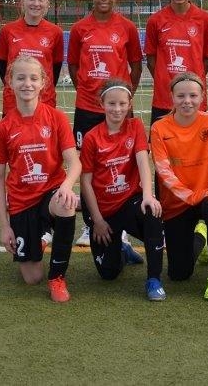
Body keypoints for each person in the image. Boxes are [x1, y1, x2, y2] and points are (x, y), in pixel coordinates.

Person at [0, 55, 80, 302]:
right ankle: (43, 235)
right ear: (10, 82)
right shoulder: (3, 128)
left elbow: (74, 162)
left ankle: (57, 277)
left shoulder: (56, 118)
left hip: (50, 193)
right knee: (32, 278)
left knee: (66, 203)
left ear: (43, 83)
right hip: (22, 203)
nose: (27, 83)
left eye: (33, 78)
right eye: (20, 78)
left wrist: (66, 186)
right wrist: (5, 226)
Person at [67, 0, 143, 248]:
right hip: (87, 109)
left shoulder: (127, 28)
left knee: (121, 164)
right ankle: (89, 224)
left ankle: (120, 225)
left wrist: (124, 97)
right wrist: (88, 93)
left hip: (119, 111)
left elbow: (136, 66)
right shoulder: (79, 29)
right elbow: (73, 66)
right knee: (87, 167)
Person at [79, 79, 167, 301]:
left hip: (128, 202)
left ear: (129, 104)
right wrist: (97, 220)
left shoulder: (135, 126)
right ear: (102, 104)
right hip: (102, 210)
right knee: (108, 274)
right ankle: (123, 251)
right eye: (112, 103)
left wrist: (148, 195)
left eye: (122, 104)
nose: (117, 109)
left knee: (152, 212)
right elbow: (85, 182)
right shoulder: (91, 137)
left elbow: (143, 161)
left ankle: (154, 279)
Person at [150, 72, 208, 300]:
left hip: (207, 195)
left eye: (193, 96)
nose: (187, 101)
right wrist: (194, 196)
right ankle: (201, 238)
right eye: (181, 96)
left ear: (202, 97)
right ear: (172, 97)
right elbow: (164, 172)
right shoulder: (159, 128)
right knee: (179, 274)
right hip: (178, 202)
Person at [144, 0, 208, 125]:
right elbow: (151, 60)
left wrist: (191, 83)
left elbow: (206, 59)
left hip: (194, 100)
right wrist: (165, 81)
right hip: (164, 99)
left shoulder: (205, 19)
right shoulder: (155, 20)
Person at [0, 0, 64, 115]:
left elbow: (54, 71)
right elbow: (4, 71)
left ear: (47, 2)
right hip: (13, 103)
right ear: (23, 0)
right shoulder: (8, 30)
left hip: (45, 103)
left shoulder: (56, 32)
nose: (36, 3)